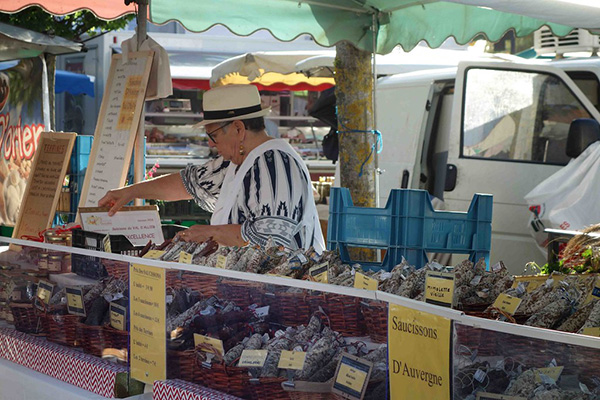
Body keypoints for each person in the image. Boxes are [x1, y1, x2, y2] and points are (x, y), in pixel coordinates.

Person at [98, 84, 325, 252]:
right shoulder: (239, 161)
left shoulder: (274, 164)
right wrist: (130, 192)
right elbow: (189, 183)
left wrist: (211, 233)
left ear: (238, 128)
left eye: (213, 135)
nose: (210, 143)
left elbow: (272, 240)